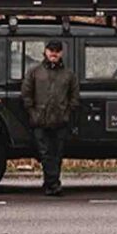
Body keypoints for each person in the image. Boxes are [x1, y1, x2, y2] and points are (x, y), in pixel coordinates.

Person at [21, 39, 80, 196]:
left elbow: (74, 97)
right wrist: (33, 113)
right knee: (45, 154)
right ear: (45, 51)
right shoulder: (34, 72)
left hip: (60, 121)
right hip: (40, 121)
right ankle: (53, 185)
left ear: (61, 53)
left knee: (57, 154)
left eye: (57, 50)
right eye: (51, 49)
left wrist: (66, 114)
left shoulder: (69, 75)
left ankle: (50, 184)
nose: (53, 53)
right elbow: (26, 94)